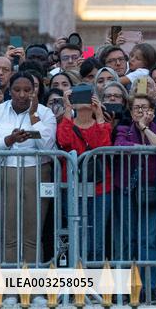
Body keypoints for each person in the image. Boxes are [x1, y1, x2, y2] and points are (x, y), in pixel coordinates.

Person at [0, 72, 57, 264]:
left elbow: (46, 146)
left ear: (34, 92)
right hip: (4, 172)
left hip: (37, 172)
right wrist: (10, 139)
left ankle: (33, 290)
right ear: (9, 91)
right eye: (17, 90)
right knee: (8, 234)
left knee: (33, 233)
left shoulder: (45, 112)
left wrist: (33, 116)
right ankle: (10, 290)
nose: (22, 95)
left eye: (27, 90)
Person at [112, 92, 156, 300]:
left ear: (152, 111)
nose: (140, 112)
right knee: (127, 240)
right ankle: (126, 289)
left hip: (153, 191)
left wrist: (144, 128)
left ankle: (150, 287)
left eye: (144, 107)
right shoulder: (122, 129)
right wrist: (143, 148)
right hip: (126, 190)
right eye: (136, 108)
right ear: (130, 110)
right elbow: (120, 147)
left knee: (150, 240)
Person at [56, 83, 112, 261]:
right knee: (76, 234)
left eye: (87, 95)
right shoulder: (68, 123)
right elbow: (63, 141)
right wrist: (67, 108)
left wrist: (99, 114)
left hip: (100, 187)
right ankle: (77, 278)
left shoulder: (102, 125)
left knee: (97, 236)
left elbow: (103, 146)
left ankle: (93, 280)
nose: (83, 99)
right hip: (73, 187)